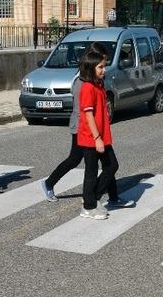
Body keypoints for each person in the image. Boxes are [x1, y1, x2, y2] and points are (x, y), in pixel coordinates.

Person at [40, 42, 113, 202]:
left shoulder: (96, 79)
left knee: (107, 161)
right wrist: (94, 135)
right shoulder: (81, 82)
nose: (104, 68)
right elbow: (85, 112)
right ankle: (50, 183)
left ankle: (112, 195)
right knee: (75, 160)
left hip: (92, 129)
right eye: (102, 62)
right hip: (82, 128)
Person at [76, 50, 129, 220]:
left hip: (102, 136)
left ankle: (93, 199)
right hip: (91, 138)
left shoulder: (98, 84)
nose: (103, 70)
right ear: (90, 67)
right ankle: (88, 206)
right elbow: (88, 115)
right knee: (91, 173)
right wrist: (97, 138)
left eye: (103, 66)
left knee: (112, 166)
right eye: (100, 67)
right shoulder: (87, 87)